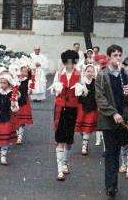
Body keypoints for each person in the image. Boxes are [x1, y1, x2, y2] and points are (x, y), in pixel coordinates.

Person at [95, 44, 128, 198]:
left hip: (123, 120)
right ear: (108, 57)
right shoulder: (102, 75)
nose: (118, 58)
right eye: (115, 55)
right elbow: (100, 98)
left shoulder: (126, 75)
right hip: (109, 120)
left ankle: (114, 184)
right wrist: (113, 113)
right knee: (110, 153)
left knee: (118, 151)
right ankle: (110, 186)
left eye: (120, 55)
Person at [51, 50, 81, 181]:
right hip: (60, 107)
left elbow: (84, 92)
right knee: (60, 139)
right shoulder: (59, 74)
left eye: (73, 62)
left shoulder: (79, 74)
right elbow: (53, 90)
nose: (70, 65)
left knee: (68, 140)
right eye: (68, 62)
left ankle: (64, 162)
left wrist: (81, 90)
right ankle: (59, 170)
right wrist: (56, 88)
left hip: (73, 109)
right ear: (64, 62)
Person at [0, 71, 20, 165]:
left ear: (9, 83)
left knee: (5, 137)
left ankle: (3, 156)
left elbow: (15, 109)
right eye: (1, 82)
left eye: (4, 83)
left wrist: (13, 105)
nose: (2, 84)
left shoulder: (12, 94)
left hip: (7, 117)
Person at [75, 63, 98, 155]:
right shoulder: (80, 82)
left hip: (92, 107)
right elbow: (76, 94)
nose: (90, 73)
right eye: (88, 71)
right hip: (82, 107)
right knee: (81, 128)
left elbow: (98, 95)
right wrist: (81, 92)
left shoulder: (96, 82)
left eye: (92, 72)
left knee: (87, 128)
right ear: (84, 72)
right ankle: (85, 141)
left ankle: (84, 145)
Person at [14, 64, 34, 144]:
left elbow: (30, 89)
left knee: (22, 121)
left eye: (25, 72)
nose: (23, 73)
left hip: (23, 102)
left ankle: (20, 137)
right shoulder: (16, 79)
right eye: (22, 71)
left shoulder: (28, 80)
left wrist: (30, 90)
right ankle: (16, 134)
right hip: (15, 102)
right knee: (15, 119)